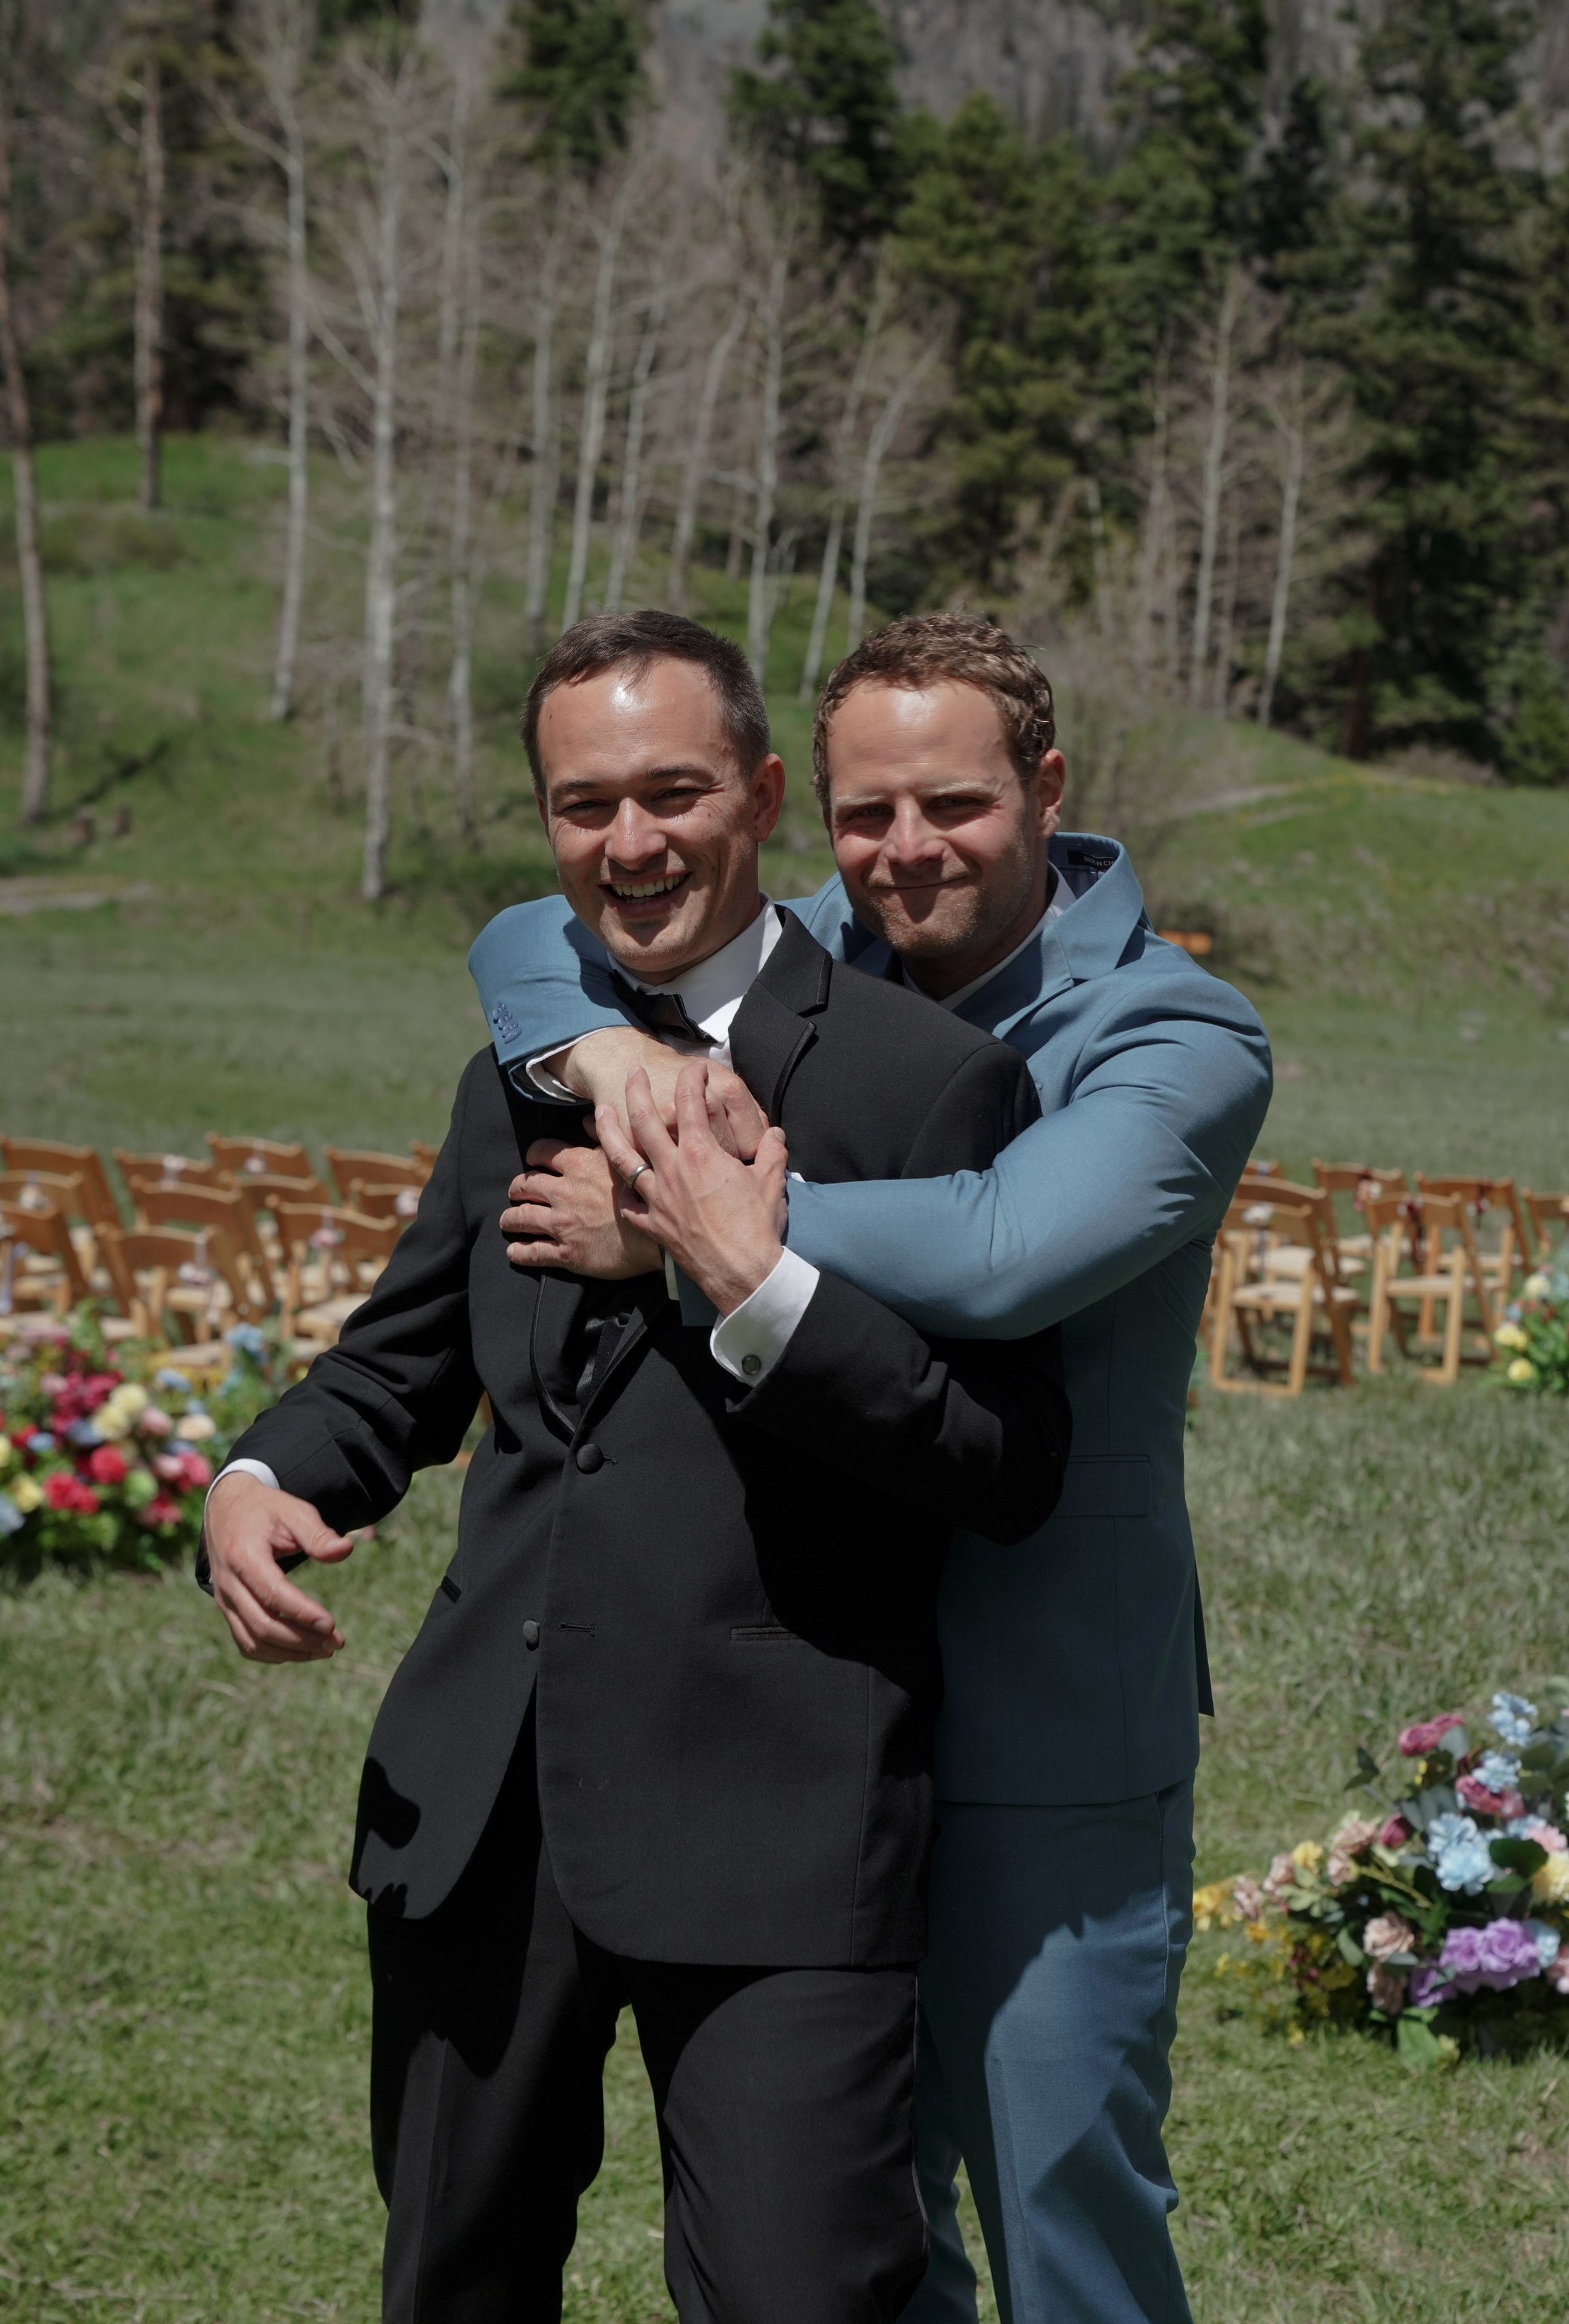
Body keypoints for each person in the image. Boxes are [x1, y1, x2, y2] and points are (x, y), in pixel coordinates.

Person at [199, 611, 1071, 2324]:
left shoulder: (931, 1085)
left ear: (763, 797)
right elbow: (395, 1366)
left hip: (779, 1829)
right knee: (453, 2286)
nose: (630, 843)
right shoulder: (522, 1078)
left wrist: (740, 1277)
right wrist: (257, 1477)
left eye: (673, 793)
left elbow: (1001, 1460)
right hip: (478, 1813)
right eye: (583, 805)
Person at [469, 613, 1273, 2324]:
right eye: (863, 816)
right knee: (851, 2232)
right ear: (802, 810)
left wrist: (686, 1225)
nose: (907, 852)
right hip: (810, 1708)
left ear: (1047, 789)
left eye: (954, 805)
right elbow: (526, 935)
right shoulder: (832, 952)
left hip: (1041, 1713)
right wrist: (609, 1053)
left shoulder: (1179, 1033)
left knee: (1061, 2213)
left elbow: (1001, 1247)